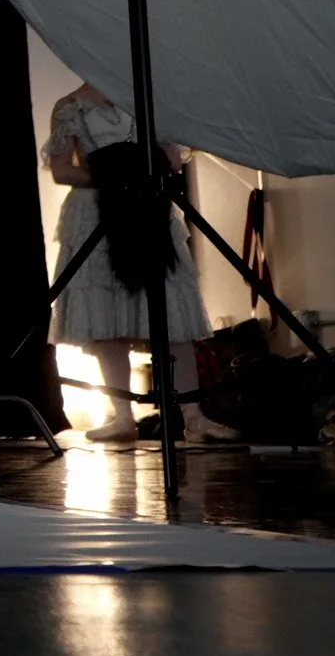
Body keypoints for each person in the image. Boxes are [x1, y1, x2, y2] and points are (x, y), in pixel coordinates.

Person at [44, 83, 240, 444]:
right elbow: (61, 170)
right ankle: (121, 415)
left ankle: (193, 415)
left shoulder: (149, 95)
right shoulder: (70, 105)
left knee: (171, 311)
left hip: (146, 205)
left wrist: (143, 172)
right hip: (96, 210)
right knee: (106, 313)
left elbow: (173, 157)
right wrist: (112, 177)